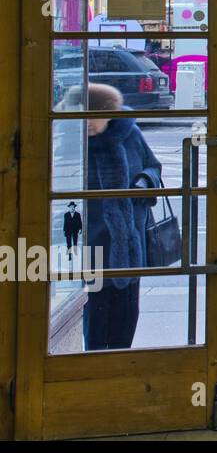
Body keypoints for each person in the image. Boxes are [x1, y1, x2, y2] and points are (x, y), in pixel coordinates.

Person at [80, 83, 163, 351]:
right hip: (92, 241)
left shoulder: (129, 133)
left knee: (126, 313)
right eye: (85, 116)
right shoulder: (73, 141)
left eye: (95, 116)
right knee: (94, 315)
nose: (90, 123)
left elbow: (152, 166)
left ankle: (119, 363)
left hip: (129, 239)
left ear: (110, 113)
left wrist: (143, 183)